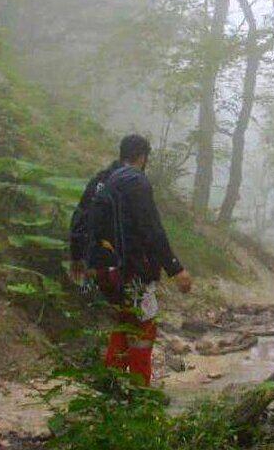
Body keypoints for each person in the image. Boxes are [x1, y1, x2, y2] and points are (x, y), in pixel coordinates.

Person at [69, 134, 192, 386]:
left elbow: (79, 218)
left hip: (102, 270)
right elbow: (151, 229)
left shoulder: (102, 180)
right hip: (131, 270)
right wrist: (175, 268)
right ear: (142, 157)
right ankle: (140, 393)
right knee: (144, 327)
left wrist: (78, 258)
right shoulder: (135, 181)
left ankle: (111, 384)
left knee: (124, 321)